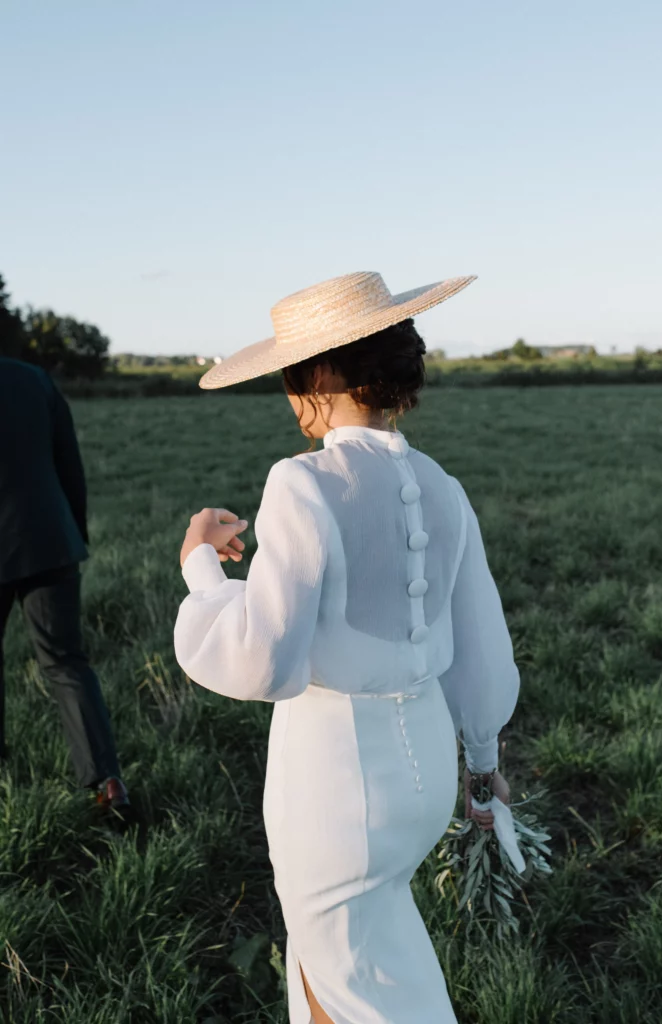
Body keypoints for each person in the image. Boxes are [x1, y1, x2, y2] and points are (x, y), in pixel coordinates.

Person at [174, 271, 520, 1023]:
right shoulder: (441, 484)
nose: (290, 397)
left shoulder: (302, 484)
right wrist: (484, 763)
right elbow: (481, 638)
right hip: (425, 767)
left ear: (321, 375)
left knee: (345, 977)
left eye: (291, 378)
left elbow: (262, 656)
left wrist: (199, 568)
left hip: (333, 780)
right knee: (364, 958)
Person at [0, 356, 129, 811]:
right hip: (50, 539)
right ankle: (107, 784)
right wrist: (73, 533)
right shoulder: (34, 379)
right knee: (66, 663)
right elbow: (68, 462)